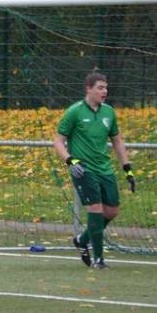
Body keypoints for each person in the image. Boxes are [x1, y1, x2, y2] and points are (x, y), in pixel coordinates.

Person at [53, 72, 136, 270]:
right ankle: (99, 259)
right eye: (100, 87)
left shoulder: (109, 112)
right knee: (95, 208)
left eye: (106, 87)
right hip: (84, 169)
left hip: (104, 169)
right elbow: (58, 141)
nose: (104, 91)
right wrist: (70, 160)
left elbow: (116, 140)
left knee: (112, 211)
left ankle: (82, 240)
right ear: (88, 89)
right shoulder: (74, 112)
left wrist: (127, 168)